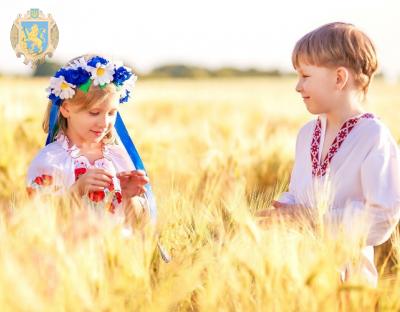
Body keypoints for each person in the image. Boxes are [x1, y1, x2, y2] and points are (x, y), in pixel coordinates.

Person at [257, 22, 400, 287]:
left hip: (350, 286)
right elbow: (300, 194)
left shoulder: (374, 137)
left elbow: (382, 218)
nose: (297, 86)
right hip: (300, 279)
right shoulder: (306, 134)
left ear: (339, 78)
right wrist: (282, 213)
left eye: (305, 76)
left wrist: (311, 219)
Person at [26, 54, 156, 226]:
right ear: (66, 109)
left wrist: (128, 196)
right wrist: (77, 191)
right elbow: (37, 220)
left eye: (111, 113)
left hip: (116, 249)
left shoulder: (118, 158)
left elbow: (140, 226)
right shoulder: (51, 160)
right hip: (68, 251)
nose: (104, 123)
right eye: (94, 113)